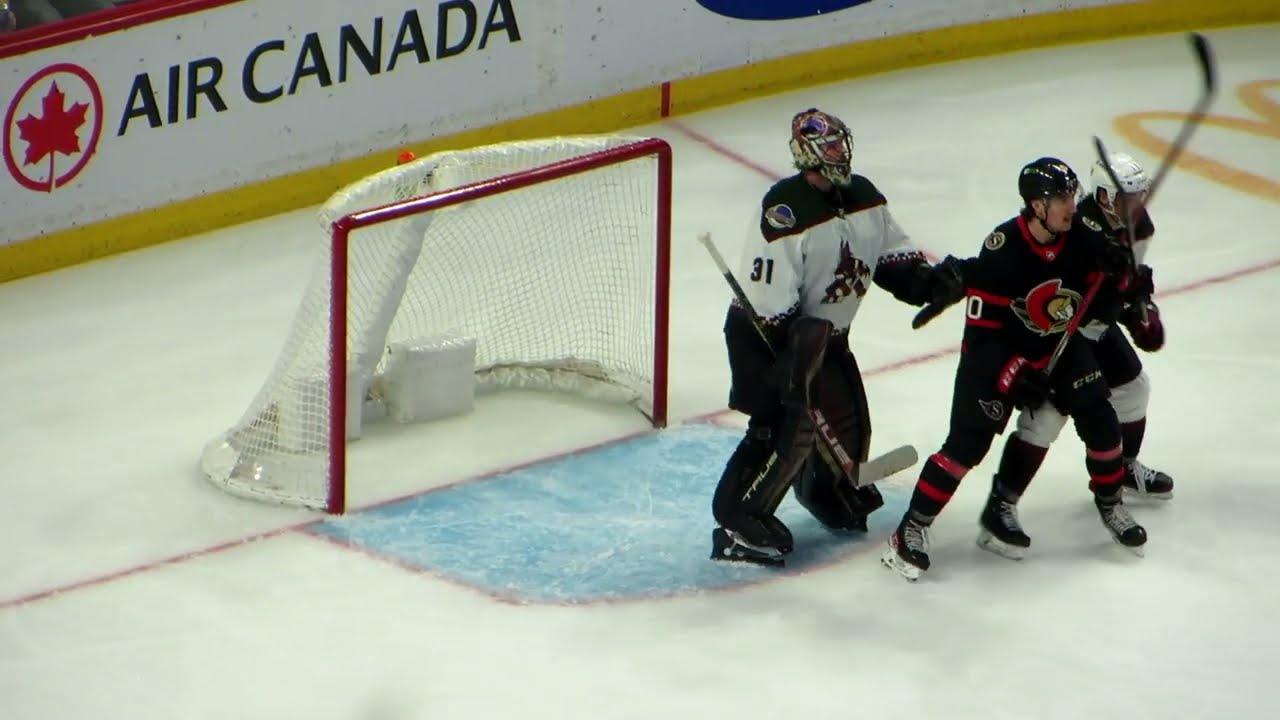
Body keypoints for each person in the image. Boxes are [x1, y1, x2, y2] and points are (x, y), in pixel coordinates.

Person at [710, 108, 965, 566]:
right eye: (828, 146)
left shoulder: (864, 196)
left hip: (823, 338)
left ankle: (827, 492)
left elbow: (895, 264)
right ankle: (736, 521)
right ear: (806, 153)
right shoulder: (785, 210)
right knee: (783, 430)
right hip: (765, 336)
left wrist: (928, 283)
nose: (838, 152)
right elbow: (769, 301)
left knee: (847, 420)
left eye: (839, 143)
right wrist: (792, 365)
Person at [881, 157, 1147, 582]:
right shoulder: (1004, 249)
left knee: (1101, 419)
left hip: (1058, 345)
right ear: (1037, 206)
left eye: (1071, 196)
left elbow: (1102, 285)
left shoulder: (1079, 235)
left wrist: (1124, 276)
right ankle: (911, 528)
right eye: (1061, 198)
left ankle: (1110, 502)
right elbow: (983, 332)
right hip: (997, 356)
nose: (1070, 205)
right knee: (965, 448)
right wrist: (1012, 373)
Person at [988, 154, 1172, 557]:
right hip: (1059, 333)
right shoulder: (1076, 225)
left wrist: (1142, 309)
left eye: (1138, 196)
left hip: (1096, 328)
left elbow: (1130, 284)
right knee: (1046, 418)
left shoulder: (1137, 225)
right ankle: (1001, 504)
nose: (1135, 206)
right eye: (1126, 197)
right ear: (1104, 196)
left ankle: (1122, 469)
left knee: (1134, 391)